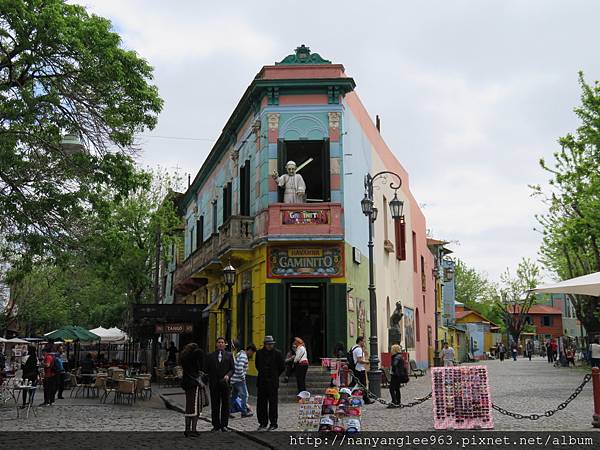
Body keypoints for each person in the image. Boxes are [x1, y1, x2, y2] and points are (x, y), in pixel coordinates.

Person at [255, 335, 285, 431]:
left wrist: (275, 375)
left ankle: (273, 423)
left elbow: (282, 367)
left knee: (273, 404)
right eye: (268, 344)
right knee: (261, 404)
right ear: (264, 344)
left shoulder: (278, 353)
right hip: (262, 382)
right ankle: (263, 423)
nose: (270, 346)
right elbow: (257, 365)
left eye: (271, 344)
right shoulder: (259, 353)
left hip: (272, 382)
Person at [204, 337, 234, 432]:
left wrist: (228, 376)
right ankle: (216, 425)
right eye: (219, 342)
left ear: (225, 344)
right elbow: (206, 369)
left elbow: (232, 369)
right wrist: (210, 378)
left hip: (225, 384)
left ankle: (224, 425)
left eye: (222, 342)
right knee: (215, 405)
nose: (221, 344)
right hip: (214, 384)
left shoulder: (229, 355)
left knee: (225, 405)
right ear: (216, 344)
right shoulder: (210, 356)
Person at [180, 342, 205, 438]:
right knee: (194, 407)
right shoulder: (192, 357)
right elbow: (200, 353)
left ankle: (188, 429)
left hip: (187, 384)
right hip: (193, 384)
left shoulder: (184, 357)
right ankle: (192, 429)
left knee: (189, 407)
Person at [230, 343, 255, 418]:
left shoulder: (240, 354)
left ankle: (227, 411)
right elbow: (239, 368)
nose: (252, 354)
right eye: (252, 352)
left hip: (234, 379)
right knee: (245, 395)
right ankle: (244, 412)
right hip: (239, 380)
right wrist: (243, 377)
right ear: (249, 350)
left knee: (234, 396)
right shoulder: (244, 356)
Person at [349, 336, 373, 404]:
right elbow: (359, 360)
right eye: (363, 341)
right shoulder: (359, 349)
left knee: (354, 383)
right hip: (360, 369)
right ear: (360, 341)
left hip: (356, 368)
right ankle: (366, 400)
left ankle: (345, 393)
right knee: (363, 385)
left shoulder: (353, 347)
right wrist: (367, 362)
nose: (364, 343)